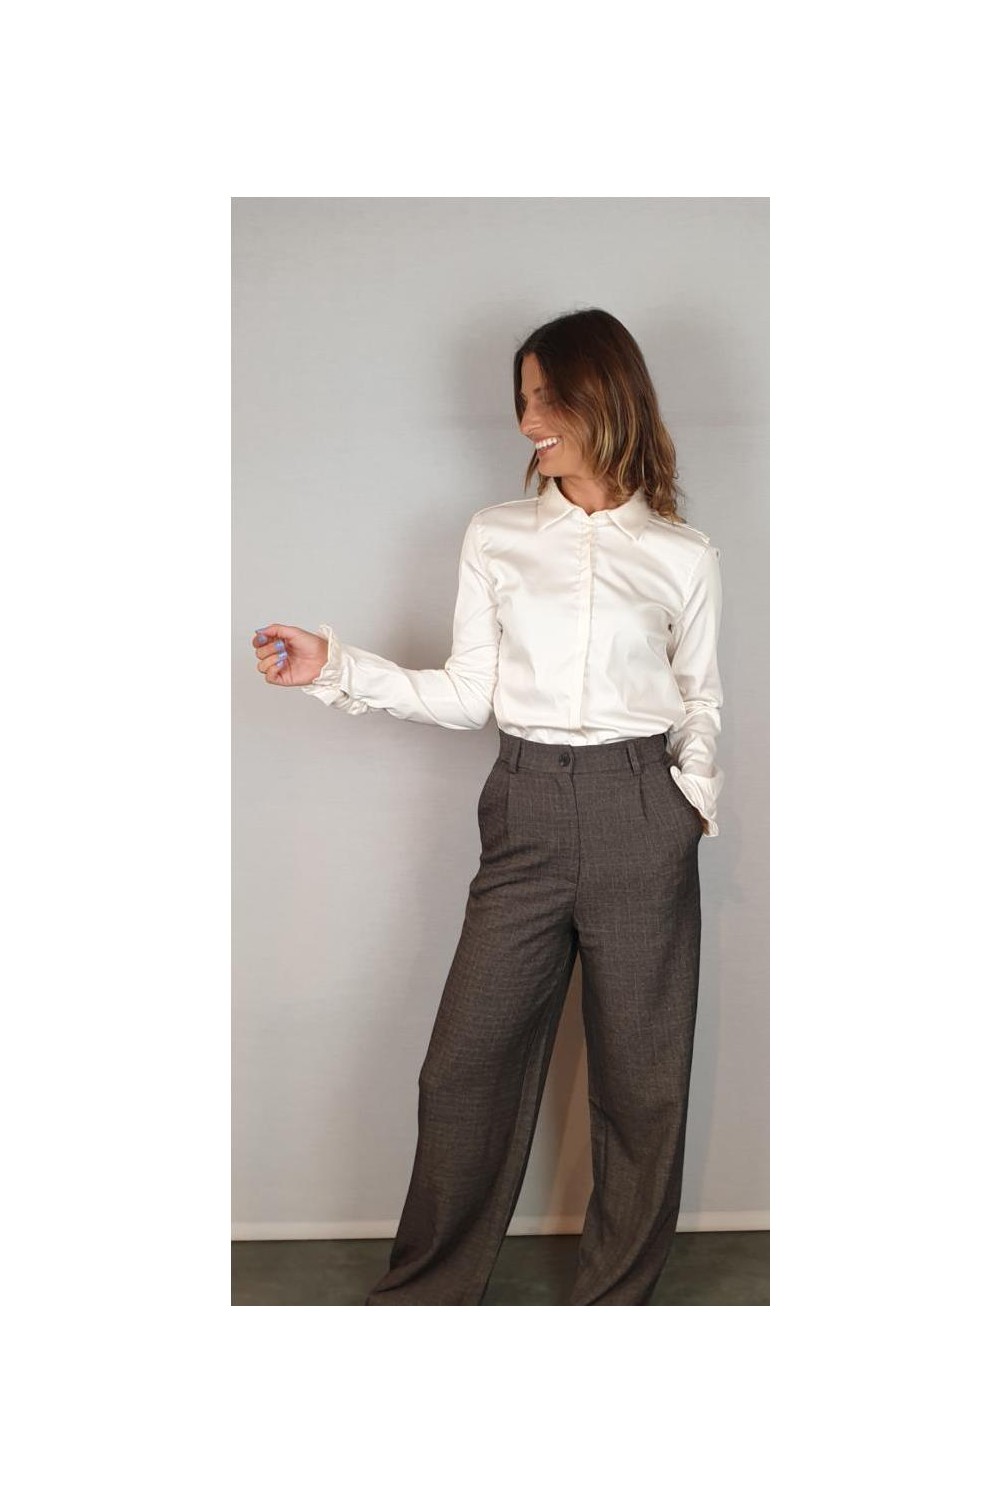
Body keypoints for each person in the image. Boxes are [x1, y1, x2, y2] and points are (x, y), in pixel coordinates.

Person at [251, 307, 724, 1305]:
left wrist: (690, 802)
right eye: (523, 400)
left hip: (642, 809)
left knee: (642, 1087)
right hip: (526, 805)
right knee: (463, 1069)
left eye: (547, 398)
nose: (528, 421)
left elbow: (701, 699)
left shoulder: (682, 553)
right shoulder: (497, 535)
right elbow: (469, 693)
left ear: (607, 398)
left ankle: (614, 1310)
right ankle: (426, 1299)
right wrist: (336, 667)